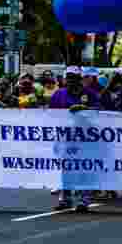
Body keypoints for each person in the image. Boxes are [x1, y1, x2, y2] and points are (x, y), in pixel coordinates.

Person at [48, 66, 101, 211]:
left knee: (85, 167)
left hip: (86, 138)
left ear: (80, 79)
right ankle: (66, 198)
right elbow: (50, 114)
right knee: (67, 168)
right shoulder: (59, 94)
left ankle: (84, 199)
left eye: (75, 78)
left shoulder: (90, 94)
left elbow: (99, 113)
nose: (72, 80)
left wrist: (84, 111)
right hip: (66, 138)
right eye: (69, 77)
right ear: (65, 79)